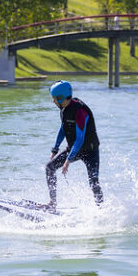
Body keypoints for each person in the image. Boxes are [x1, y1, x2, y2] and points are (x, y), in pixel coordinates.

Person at [45, 80, 104, 210]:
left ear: (61, 98)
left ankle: (101, 209)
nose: (53, 101)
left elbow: (80, 139)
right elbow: (63, 129)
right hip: (74, 149)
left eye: (54, 99)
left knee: (94, 182)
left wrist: (68, 160)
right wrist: (55, 149)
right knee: (49, 168)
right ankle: (52, 203)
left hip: (90, 151)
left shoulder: (80, 111)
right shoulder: (64, 109)